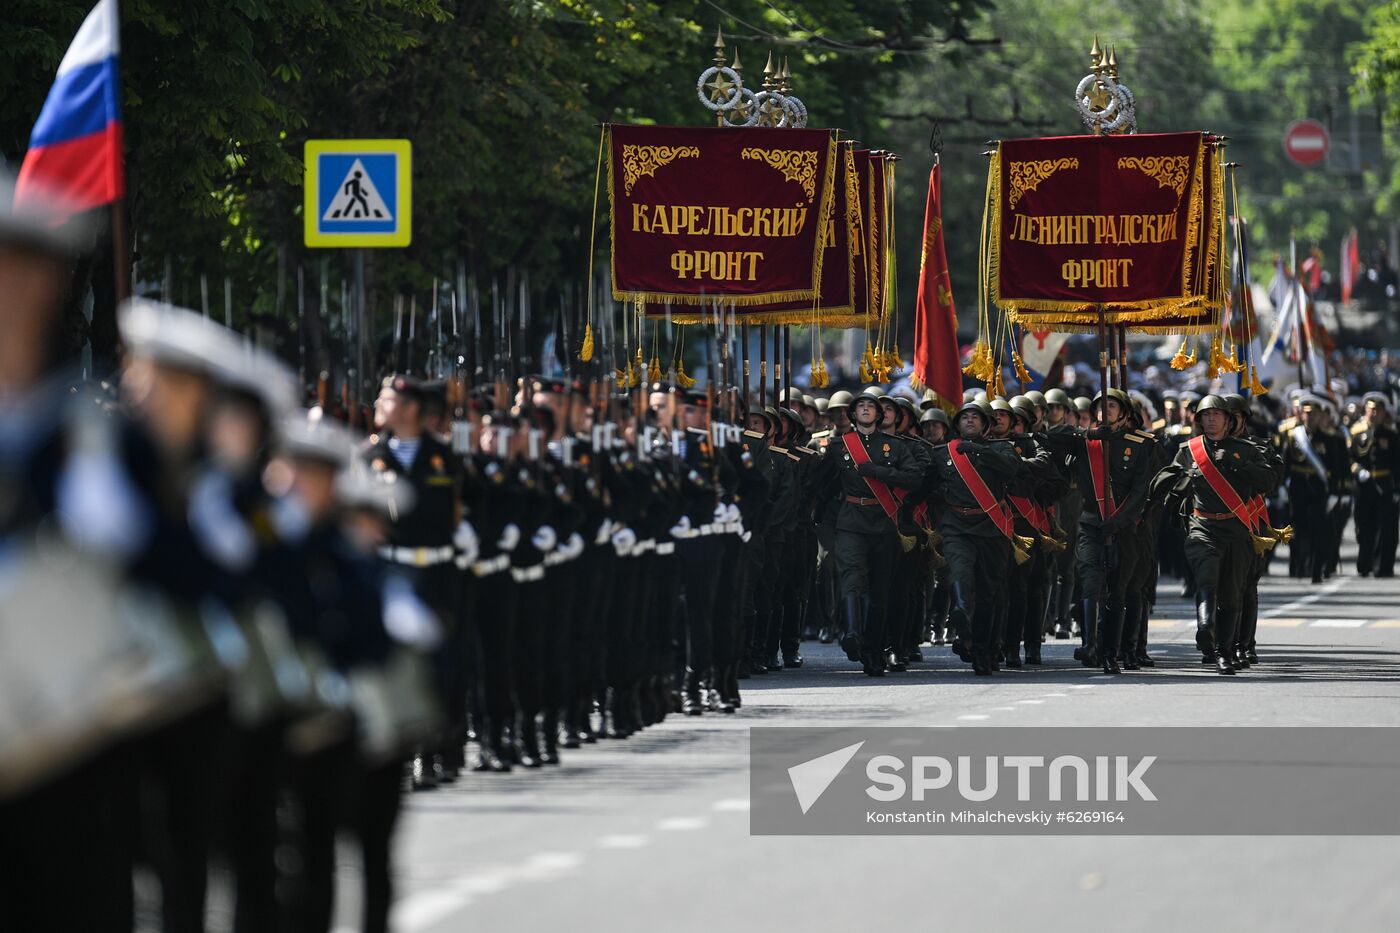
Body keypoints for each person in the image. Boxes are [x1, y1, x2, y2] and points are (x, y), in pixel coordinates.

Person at [1154, 395, 1277, 674]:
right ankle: (1205, 628)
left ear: (1228, 420)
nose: (1210, 420)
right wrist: (1178, 481)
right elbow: (1169, 481)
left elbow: (1269, 480)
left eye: (1216, 415)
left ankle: (1224, 652)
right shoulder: (1188, 449)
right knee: (1207, 579)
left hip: (1237, 529)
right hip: (1203, 527)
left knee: (1232, 594)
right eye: (1205, 415)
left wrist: (1237, 465)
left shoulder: (1245, 450)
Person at [816, 388, 922, 676]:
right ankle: (852, 632)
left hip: (885, 523)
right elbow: (823, 485)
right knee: (851, 577)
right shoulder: (839, 447)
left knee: (880, 591)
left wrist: (879, 472)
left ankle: (874, 650)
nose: (865, 409)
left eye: (870, 406)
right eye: (860, 406)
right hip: (850, 522)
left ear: (879, 414)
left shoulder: (896, 446)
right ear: (853, 413)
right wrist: (820, 519)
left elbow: (914, 478)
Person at [1071, 388, 1153, 675]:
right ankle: (1089, 643)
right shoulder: (1086, 442)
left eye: (1113, 406)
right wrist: (1088, 436)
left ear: (1124, 414)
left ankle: (1111, 652)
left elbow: (1141, 491)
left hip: (1125, 528)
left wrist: (1118, 521)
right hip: (1091, 524)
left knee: (1117, 593)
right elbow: (1053, 437)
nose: (1106, 411)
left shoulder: (1140, 445)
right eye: (1101, 406)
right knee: (1090, 582)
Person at [1351, 392, 1400, 577]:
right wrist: (1357, 470)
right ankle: (1364, 563)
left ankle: (1382, 567)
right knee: (1364, 526)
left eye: (1378, 411)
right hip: (1364, 486)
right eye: (1371, 410)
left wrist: (1397, 488)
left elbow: (1397, 463)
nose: (1375, 414)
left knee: (1386, 527)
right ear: (1366, 410)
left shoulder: (1391, 434)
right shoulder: (1356, 431)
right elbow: (1348, 458)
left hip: (1385, 483)